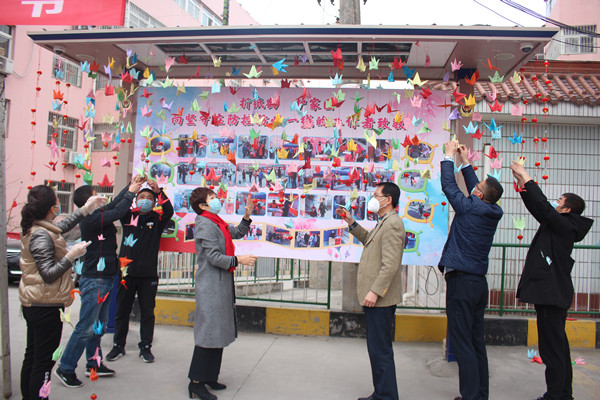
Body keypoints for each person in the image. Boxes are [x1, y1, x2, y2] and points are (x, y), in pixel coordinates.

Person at [510, 162, 593, 400]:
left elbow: (544, 208)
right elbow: (540, 209)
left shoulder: (564, 225)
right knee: (558, 346)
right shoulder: (560, 225)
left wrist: (526, 176)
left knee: (552, 348)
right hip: (552, 294)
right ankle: (563, 393)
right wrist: (522, 185)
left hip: (551, 294)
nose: (556, 204)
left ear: (567, 209)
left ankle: (556, 395)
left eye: (559, 201)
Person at [55, 176, 144, 388]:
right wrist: (131, 193)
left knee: (97, 327)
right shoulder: (90, 219)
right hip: (95, 279)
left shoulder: (98, 214)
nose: (101, 198)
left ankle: (93, 364)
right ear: (89, 201)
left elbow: (114, 205)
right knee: (86, 327)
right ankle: (65, 368)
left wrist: (130, 185)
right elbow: (118, 211)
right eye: (96, 196)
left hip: (105, 277)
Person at [18, 185, 104, 400]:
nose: (59, 205)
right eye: (57, 201)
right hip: (44, 306)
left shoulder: (40, 228)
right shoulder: (41, 235)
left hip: (37, 302)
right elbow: (48, 274)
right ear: (51, 208)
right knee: (43, 362)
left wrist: (85, 209)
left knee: (33, 357)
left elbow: (61, 227)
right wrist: (71, 256)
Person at [438, 141, 504, 400]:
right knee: (476, 342)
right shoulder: (491, 209)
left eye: (476, 188)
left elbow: (449, 186)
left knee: (462, 341)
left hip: (462, 282)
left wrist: (448, 157)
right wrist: (465, 162)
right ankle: (479, 395)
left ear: (478, 195)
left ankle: (469, 396)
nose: (474, 187)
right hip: (478, 284)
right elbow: (479, 188)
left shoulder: (469, 206)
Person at [187, 188, 258, 400]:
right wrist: (239, 260)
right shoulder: (205, 224)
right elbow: (214, 257)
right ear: (203, 205)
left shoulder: (216, 221)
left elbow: (235, 233)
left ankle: (210, 377)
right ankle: (196, 382)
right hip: (210, 285)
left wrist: (247, 216)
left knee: (216, 331)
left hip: (221, 283)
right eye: (212, 198)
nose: (217, 200)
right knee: (208, 332)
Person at [337, 182, 405, 400]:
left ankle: (387, 396)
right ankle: (381, 393)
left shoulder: (393, 224)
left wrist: (375, 291)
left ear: (388, 200)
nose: (373, 199)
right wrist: (351, 222)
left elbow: (390, 264)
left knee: (381, 350)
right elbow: (369, 241)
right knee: (376, 349)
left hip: (381, 300)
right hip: (377, 299)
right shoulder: (384, 221)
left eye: (377, 195)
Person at [106, 179, 174, 363]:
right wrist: (130, 186)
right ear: (136, 200)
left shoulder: (157, 219)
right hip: (126, 274)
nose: (145, 200)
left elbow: (169, 211)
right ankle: (118, 346)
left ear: (154, 202)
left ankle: (145, 347)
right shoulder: (127, 216)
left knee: (147, 312)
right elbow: (118, 206)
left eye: (149, 198)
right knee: (122, 311)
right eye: (141, 197)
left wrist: (159, 191)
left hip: (148, 275)